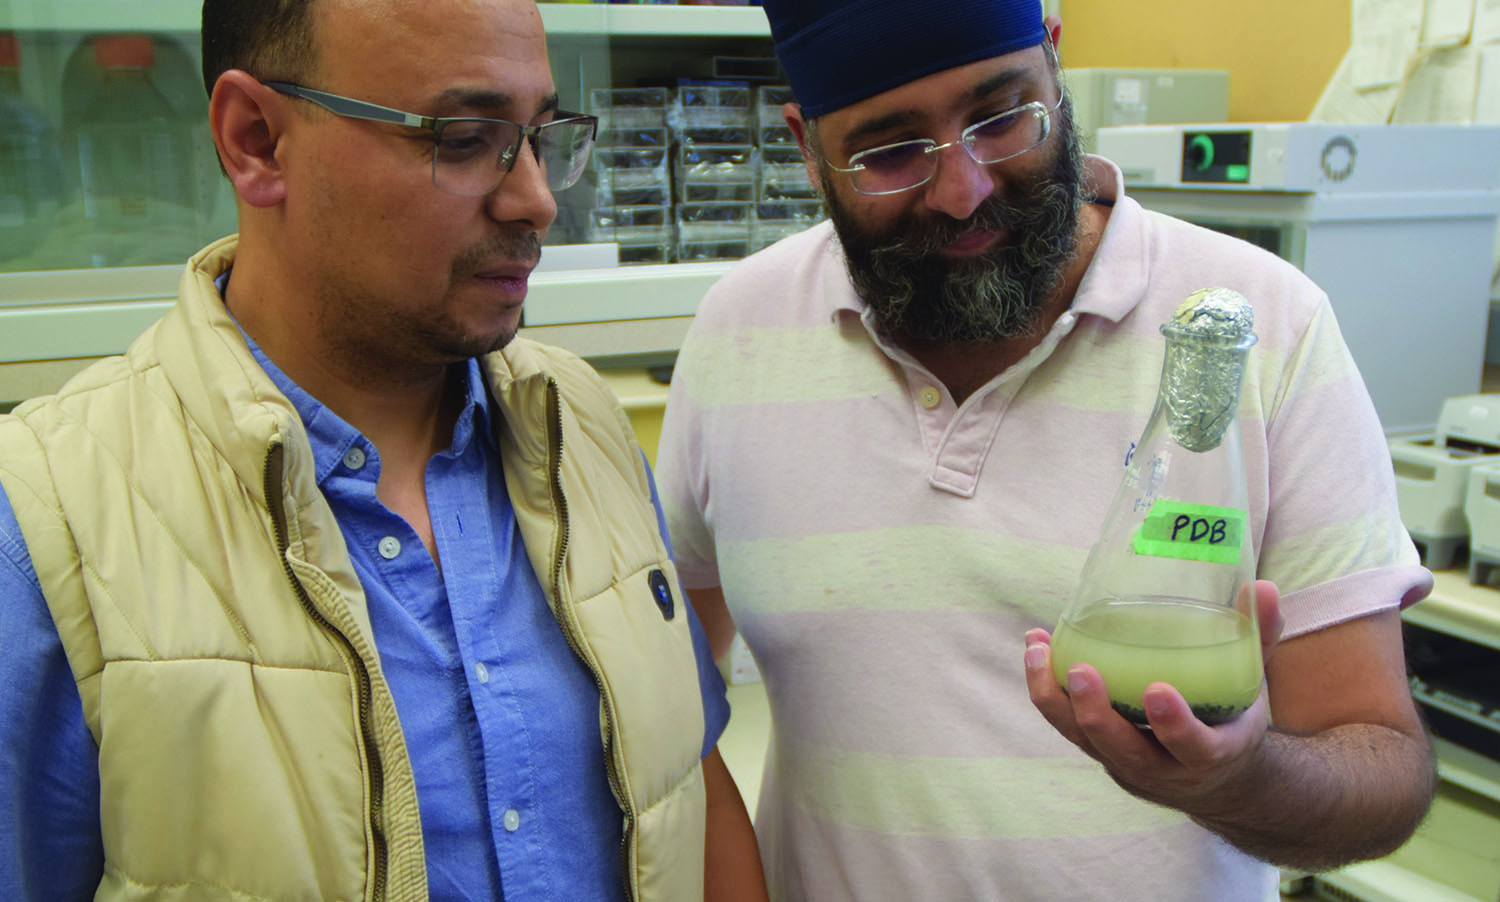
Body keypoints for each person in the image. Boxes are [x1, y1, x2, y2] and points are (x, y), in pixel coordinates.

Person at [655, 0, 1435, 899]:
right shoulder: (740, 331)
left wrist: (1239, 779)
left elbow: (1382, 769)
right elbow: (670, 702)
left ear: (1055, 69)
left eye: (1000, 116)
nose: (964, 189)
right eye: (892, 151)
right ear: (806, 143)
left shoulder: (1260, 327)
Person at [0, 0, 769, 899]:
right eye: (464, 136)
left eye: (540, 134)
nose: (538, 200)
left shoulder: (582, 424)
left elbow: (688, 788)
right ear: (256, 140)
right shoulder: (50, 525)